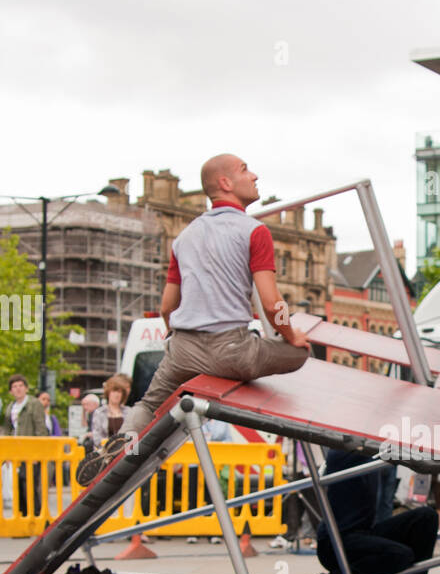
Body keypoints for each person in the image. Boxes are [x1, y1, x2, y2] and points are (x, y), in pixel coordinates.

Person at [76, 154, 310, 485]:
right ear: (226, 183)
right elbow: (273, 305)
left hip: (183, 347)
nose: (254, 175)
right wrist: (291, 335)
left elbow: (167, 307)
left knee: (148, 404)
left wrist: (176, 338)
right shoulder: (254, 231)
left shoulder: (184, 237)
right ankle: (226, 379)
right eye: (246, 170)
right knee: (299, 354)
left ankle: (123, 440)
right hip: (232, 349)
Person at [306, 448, 438, 574]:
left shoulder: (372, 451)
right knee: (400, 555)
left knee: (425, 517)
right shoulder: (344, 450)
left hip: (363, 533)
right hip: (335, 541)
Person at [1, 375, 47, 515]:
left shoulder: (34, 404)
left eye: (21, 386)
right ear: (11, 391)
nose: (18, 389)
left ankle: (36, 516)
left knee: (30, 485)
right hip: (16, 452)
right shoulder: (10, 407)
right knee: (18, 485)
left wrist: (38, 453)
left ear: (26, 388)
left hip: (31, 451)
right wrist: (7, 453)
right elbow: (8, 430)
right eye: (14, 387)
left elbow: (41, 429)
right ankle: (23, 517)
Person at [90, 375, 130, 443]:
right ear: (108, 392)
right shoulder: (99, 412)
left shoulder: (129, 411)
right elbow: (96, 438)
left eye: (120, 392)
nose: (116, 394)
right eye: (114, 391)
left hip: (125, 450)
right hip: (105, 450)